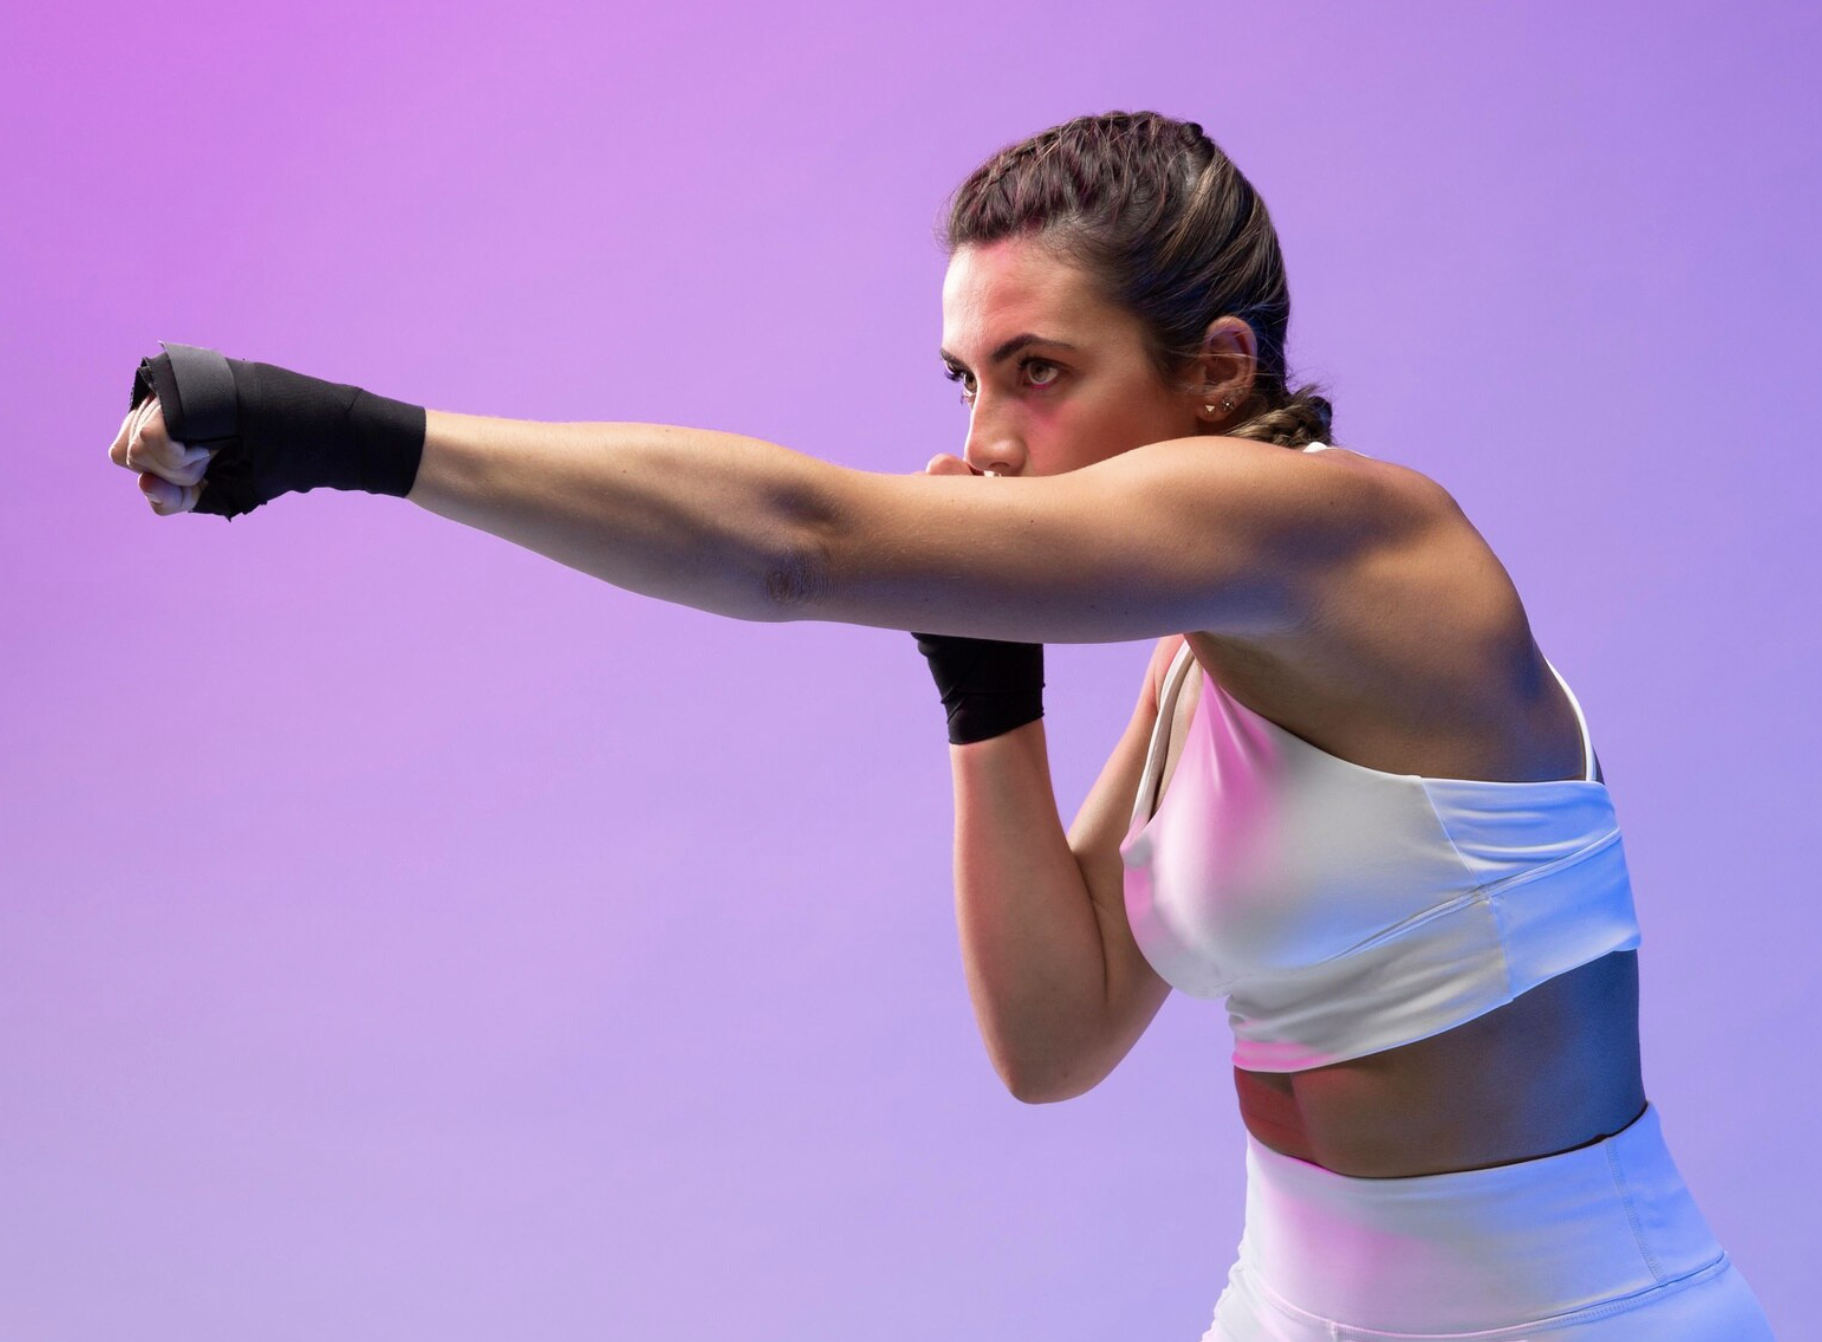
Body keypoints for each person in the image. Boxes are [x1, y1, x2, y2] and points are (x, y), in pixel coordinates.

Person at [108, 111, 1776, 1340]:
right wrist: (988, 683)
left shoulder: (1349, 539)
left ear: (1215, 372)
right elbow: (1056, 1038)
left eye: (1036, 370)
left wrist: (335, 435)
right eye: (961, 379)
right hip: (1283, 1309)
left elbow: (793, 545)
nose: (982, 439)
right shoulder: (1203, 646)